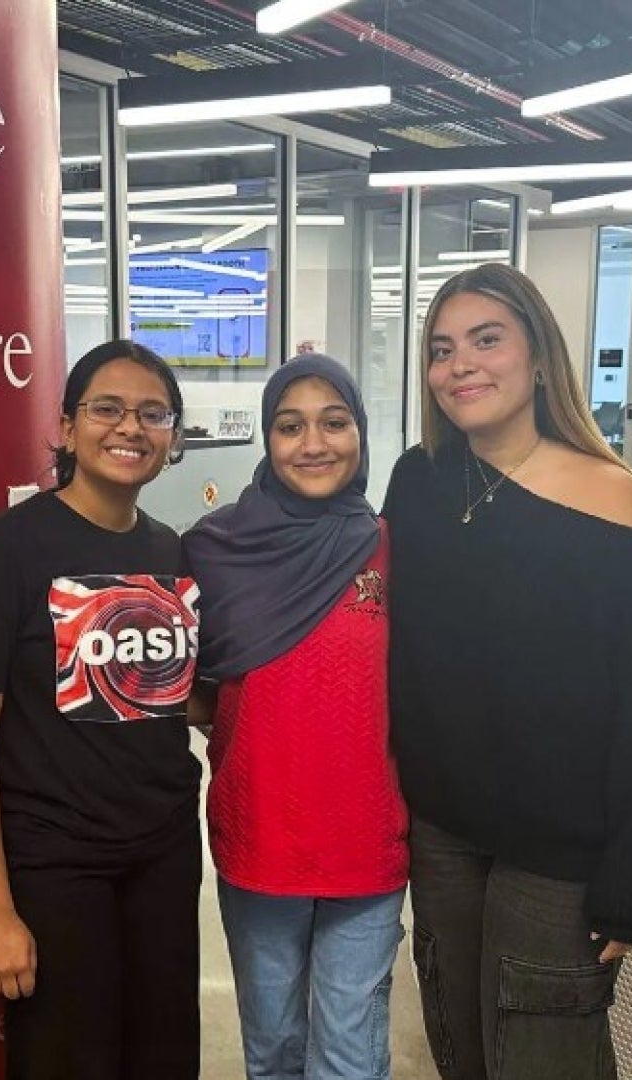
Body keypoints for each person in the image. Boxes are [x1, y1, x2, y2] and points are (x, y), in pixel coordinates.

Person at [382, 264, 632, 1080]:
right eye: (442, 349)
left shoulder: (610, 498)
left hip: (562, 850)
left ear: (537, 358)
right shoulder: (418, 480)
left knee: (542, 1058)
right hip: (444, 830)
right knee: (461, 1049)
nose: (461, 365)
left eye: (486, 340)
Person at [0, 340, 202, 1080]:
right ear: (66, 426)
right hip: (53, 864)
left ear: (172, 436)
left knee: (165, 1059)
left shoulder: (170, 553)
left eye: (153, 414)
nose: (131, 427)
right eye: (107, 408)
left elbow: (174, 700)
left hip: (164, 852)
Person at [183, 354, 408, 1080]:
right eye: (290, 426)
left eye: (334, 423)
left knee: (348, 1054)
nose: (313, 444)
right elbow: (186, 682)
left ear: (361, 433)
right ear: (268, 438)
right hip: (260, 836)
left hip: (367, 840)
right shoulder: (214, 551)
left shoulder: (390, 546)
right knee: (274, 1047)